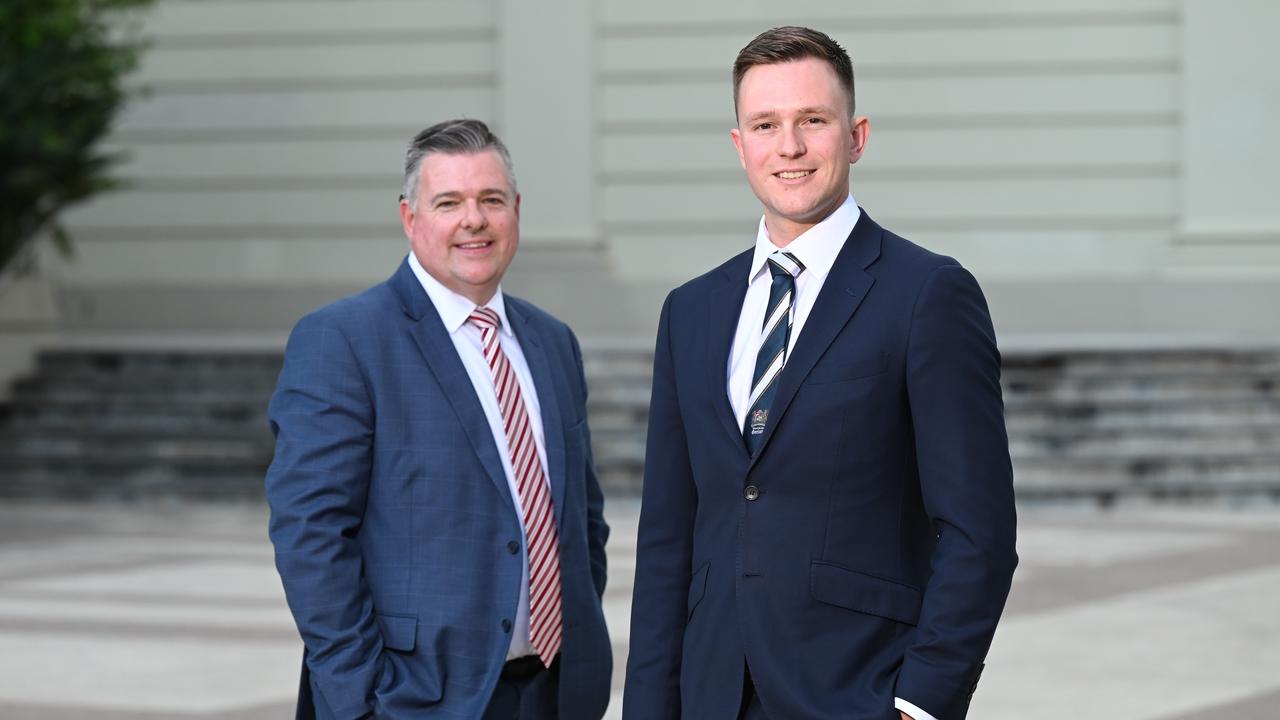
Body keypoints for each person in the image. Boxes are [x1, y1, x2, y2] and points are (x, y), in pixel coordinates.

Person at [623, 26, 1018, 720]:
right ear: (739, 145)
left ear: (857, 135)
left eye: (813, 121)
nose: (791, 147)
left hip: (856, 691)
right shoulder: (690, 312)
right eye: (766, 125)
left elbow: (979, 529)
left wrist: (922, 701)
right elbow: (666, 543)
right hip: (710, 694)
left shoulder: (927, 294)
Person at [266, 118, 611, 720]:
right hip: (412, 698)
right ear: (409, 218)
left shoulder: (553, 342)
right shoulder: (345, 339)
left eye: (491, 200)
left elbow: (582, 520)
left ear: (516, 211)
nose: (473, 220)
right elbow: (310, 535)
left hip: (555, 695)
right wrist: (360, 698)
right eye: (448, 202)